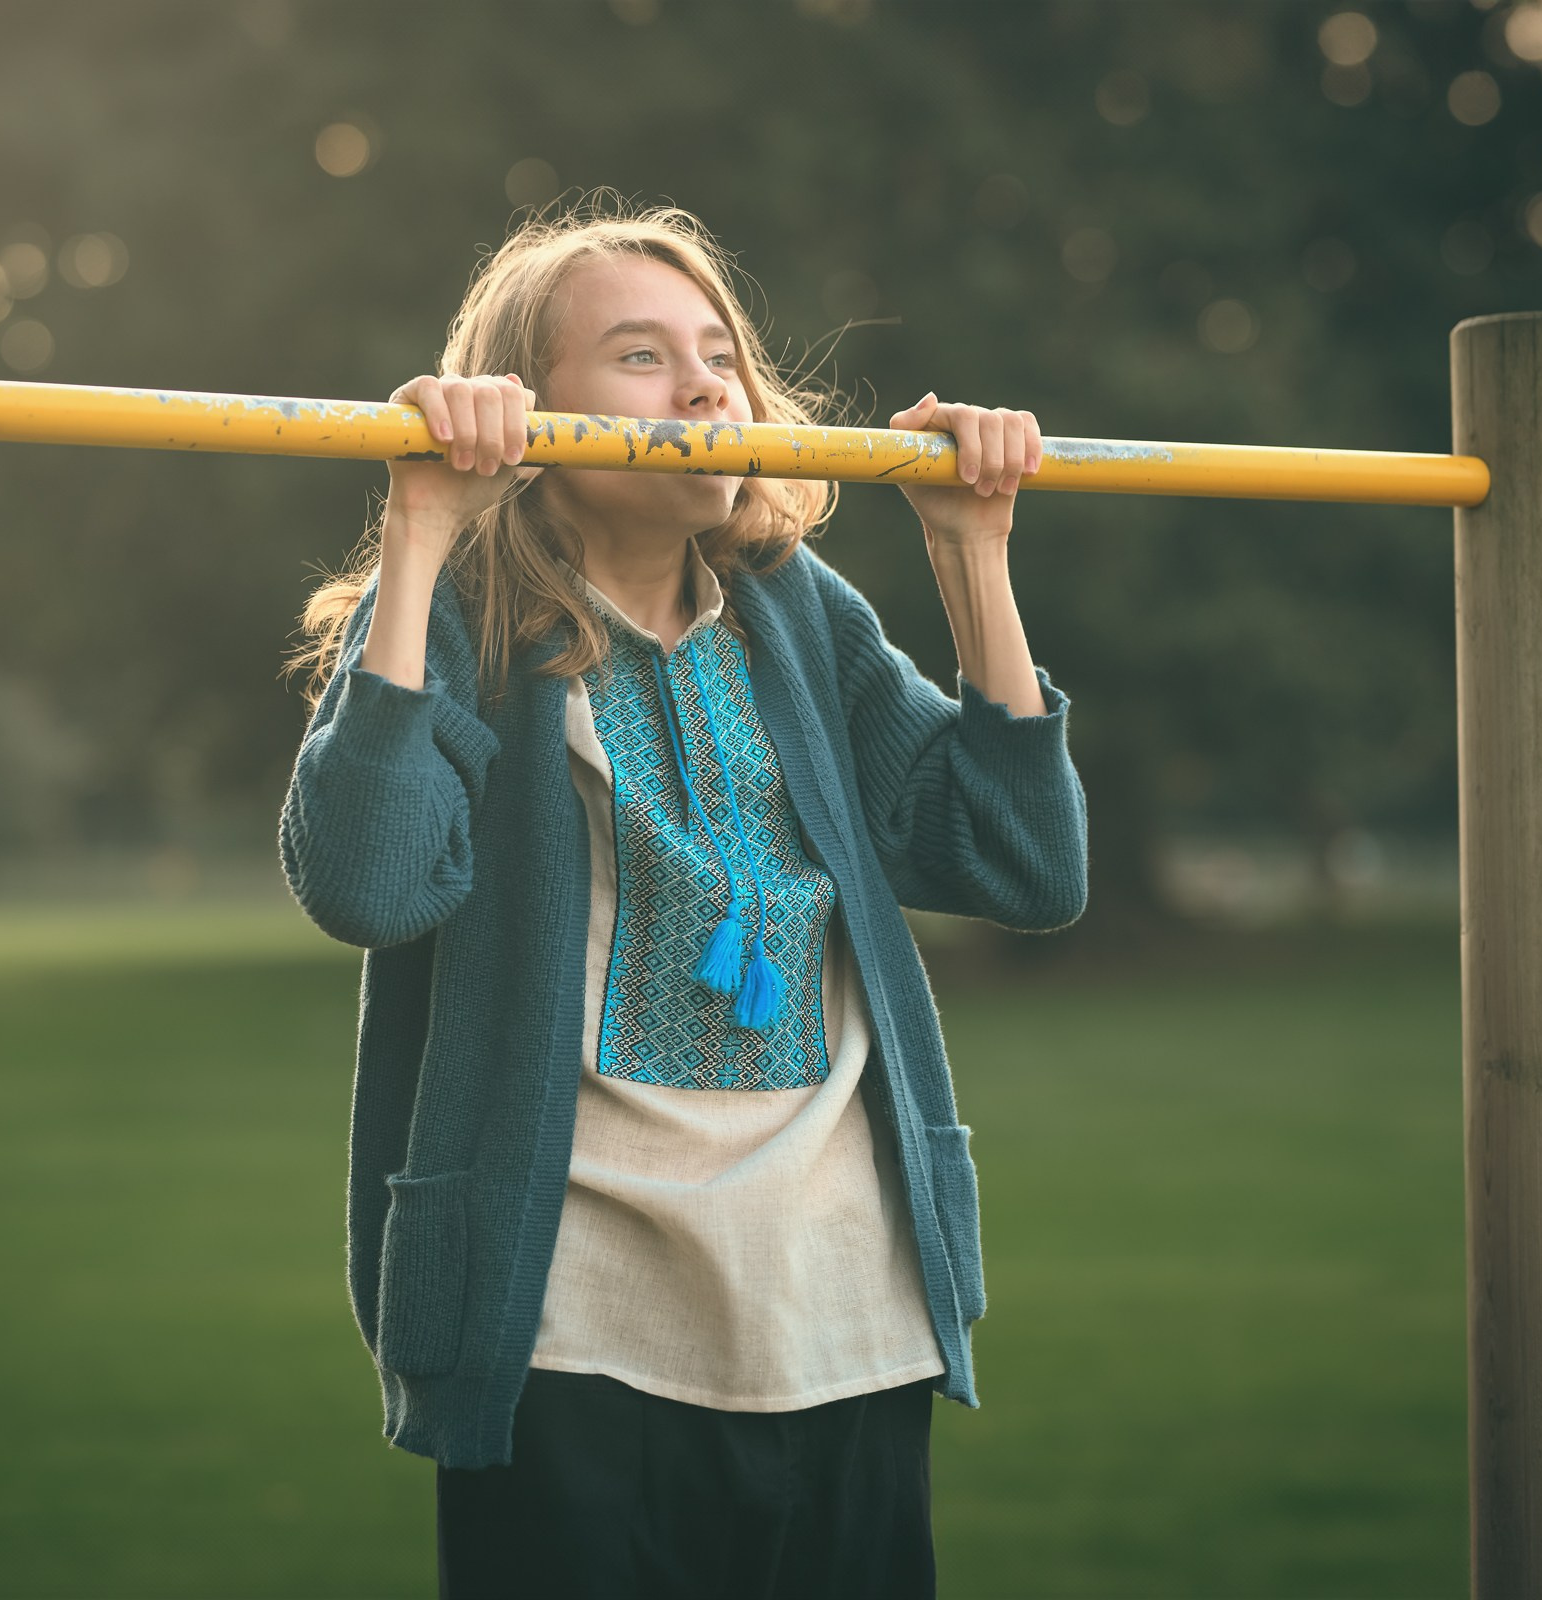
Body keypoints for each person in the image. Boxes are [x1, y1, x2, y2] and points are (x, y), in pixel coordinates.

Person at [278, 197, 1088, 1600]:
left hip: (849, 1316)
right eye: (642, 356)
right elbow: (364, 881)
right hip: (573, 1331)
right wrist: (419, 525)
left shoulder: (793, 607)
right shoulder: (463, 622)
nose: (707, 384)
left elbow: (1025, 864)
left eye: (719, 350)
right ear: (525, 411)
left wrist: (972, 554)